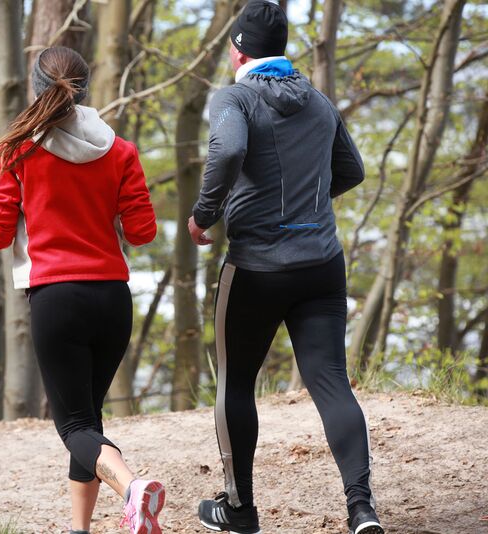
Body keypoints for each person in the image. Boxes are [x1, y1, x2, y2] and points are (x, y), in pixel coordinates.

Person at [187, 2, 383, 534]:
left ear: (238, 49)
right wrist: (308, 205)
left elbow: (227, 152)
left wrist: (205, 215)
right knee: (332, 382)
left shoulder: (235, 97)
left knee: (235, 383)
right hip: (321, 263)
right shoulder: (318, 102)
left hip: (255, 268)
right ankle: (362, 509)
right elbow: (352, 170)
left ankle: (240, 510)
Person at [0, 46, 165, 534]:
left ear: (36, 86)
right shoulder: (120, 150)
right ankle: (80, 528)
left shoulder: (14, 151)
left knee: (74, 427)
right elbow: (143, 232)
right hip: (112, 299)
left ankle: (131, 487)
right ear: (86, 87)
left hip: (56, 299)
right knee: (88, 422)